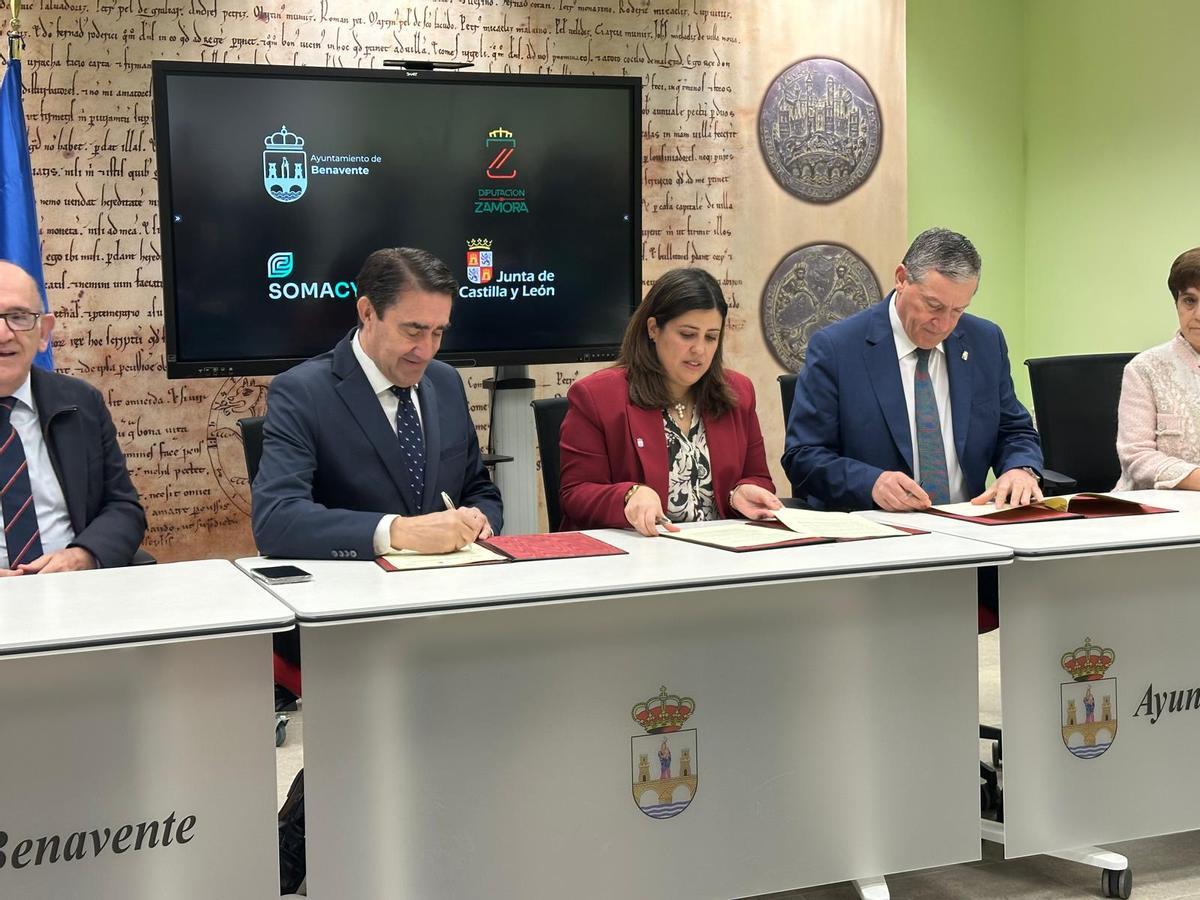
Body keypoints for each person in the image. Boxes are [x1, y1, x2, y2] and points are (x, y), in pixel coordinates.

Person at [252, 247, 502, 560]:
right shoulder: (303, 392)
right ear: (368, 312)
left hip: (451, 586)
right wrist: (397, 532)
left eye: (438, 332)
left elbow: (479, 489)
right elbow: (276, 520)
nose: (426, 351)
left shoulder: (446, 382)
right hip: (354, 596)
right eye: (413, 330)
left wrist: (480, 519)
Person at [783, 227, 1043, 514]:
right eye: (934, 306)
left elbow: (1014, 430)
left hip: (970, 528)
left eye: (958, 310)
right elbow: (803, 457)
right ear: (901, 279)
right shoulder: (837, 348)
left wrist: (1020, 469)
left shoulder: (985, 341)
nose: (944, 324)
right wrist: (871, 483)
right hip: (875, 534)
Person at [559, 267, 781, 535]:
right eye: (687, 335)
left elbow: (758, 477)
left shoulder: (739, 392)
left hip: (723, 554)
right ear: (653, 329)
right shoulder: (597, 396)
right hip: (639, 555)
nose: (699, 349)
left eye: (711, 337)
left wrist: (741, 492)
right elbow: (576, 494)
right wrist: (629, 495)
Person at [0, 260, 145, 574]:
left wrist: (84, 555)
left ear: (43, 333)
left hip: (74, 593)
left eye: (18, 317)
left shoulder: (81, 402)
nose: (3, 334)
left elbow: (123, 507)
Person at [1115, 248, 1200, 491]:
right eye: (1190, 301)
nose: (1198, 315)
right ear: (1177, 303)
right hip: (1152, 511)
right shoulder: (1145, 369)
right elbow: (1137, 457)